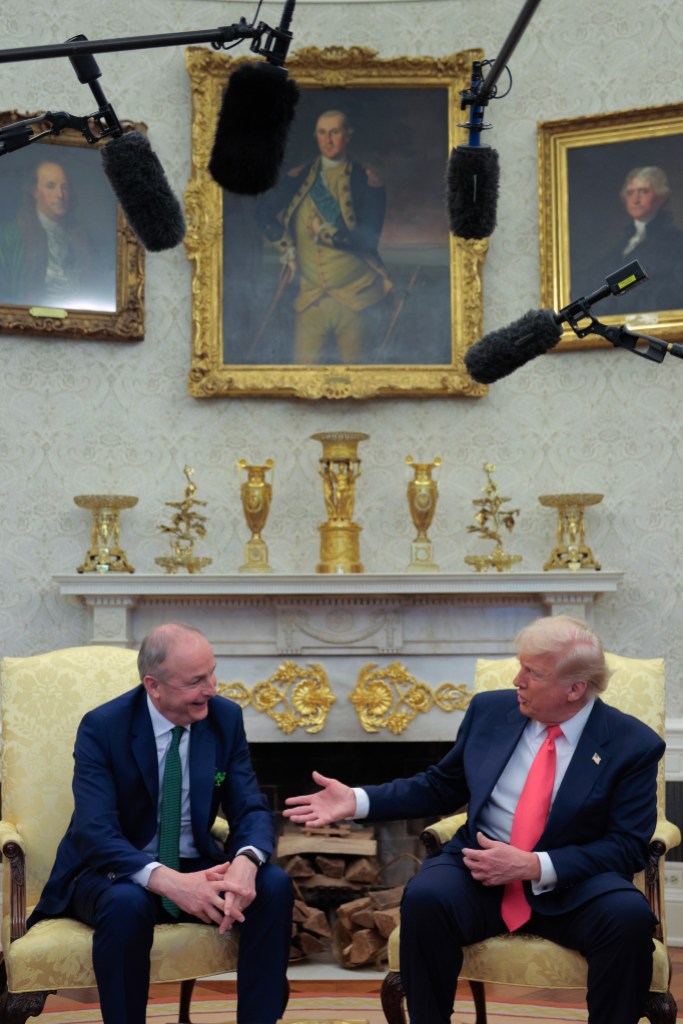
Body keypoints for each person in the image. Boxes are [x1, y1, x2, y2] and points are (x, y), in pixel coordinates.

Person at [284, 615, 664, 1024]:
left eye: (532, 672)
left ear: (575, 689)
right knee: (426, 896)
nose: (517, 679)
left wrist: (534, 865)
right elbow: (439, 786)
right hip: (479, 870)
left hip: (573, 882)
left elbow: (626, 846)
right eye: (520, 666)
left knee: (628, 919)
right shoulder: (491, 711)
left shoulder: (633, 745)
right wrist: (357, 800)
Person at [28, 623, 293, 1024]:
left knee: (272, 885)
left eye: (212, 673)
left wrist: (246, 861)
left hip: (192, 863)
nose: (212, 688)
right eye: (196, 681)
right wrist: (169, 881)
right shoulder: (103, 727)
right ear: (154, 686)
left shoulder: (224, 719)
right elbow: (94, 831)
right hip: (111, 871)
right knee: (127, 903)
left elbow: (252, 808)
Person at [256, 109, 393, 363]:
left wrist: (325, 233)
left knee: (356, 382)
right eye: (322, 133)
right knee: (303, 379)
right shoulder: (297, 178)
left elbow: (368, 239)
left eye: (335, 132)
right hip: (309, 298)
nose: (328, 140)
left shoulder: (368, 181)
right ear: (315, 136)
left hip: (356, 299)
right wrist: (286, 247)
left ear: (347, 136)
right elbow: (263, 213)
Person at [579, 165, 683, 314]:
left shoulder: (676, 242)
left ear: (660, 197)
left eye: (644, 192)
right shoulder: (624, 244)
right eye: (630, 193)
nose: (635, 200)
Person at [0, 158, 99, 308]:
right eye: (50, 186)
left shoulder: (80, 237)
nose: (60, 194)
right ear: (34, 191)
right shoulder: (9, 236)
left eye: (64, 187)